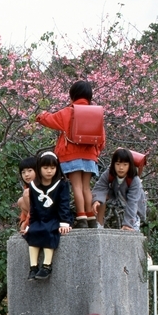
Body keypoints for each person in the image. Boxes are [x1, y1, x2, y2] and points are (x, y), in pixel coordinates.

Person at [37, 80, 101, 228]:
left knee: (76, 186)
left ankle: (81, 217)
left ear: (72, 95)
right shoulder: (96, 114)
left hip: (71, 155)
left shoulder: (68, 111)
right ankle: (91, 217)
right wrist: (95, 152)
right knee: (86, 187)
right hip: (90, 155)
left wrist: (41, 115)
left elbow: (50, 120)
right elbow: (101, 138)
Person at [23, 150, 72, 280]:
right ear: (39, 168)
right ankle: (33, 267)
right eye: (45, 168)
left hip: (55, 218)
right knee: (33, 231)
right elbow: (33, 208)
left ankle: (46, 265)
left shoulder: (62, 183)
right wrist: (30, 224)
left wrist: (65, 222)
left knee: (48, 231)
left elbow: (64, 203)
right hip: (39, 218)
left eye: (52, 168)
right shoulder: (33, 186)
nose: (49, 171)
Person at [93, 147, 146, 231]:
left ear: (130, 165)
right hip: (116, 196)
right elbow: (100, 186)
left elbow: (132, 202)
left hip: (134, 205)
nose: (121, 168)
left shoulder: (134, 180)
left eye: (125, 164)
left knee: (132, 227)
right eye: (118, 164)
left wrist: (127, 224)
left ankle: (132, 226)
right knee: (99, 198)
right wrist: (96, 200)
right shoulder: (109, 173)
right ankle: (99, 225)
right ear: (113, 164)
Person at [15, 155, 37, 234]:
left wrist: (27, 224)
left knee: (26, 193)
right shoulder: (28, 186)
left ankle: (33, 223)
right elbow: (29, 210)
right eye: (23, 172)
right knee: (20, 201)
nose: (26, 174)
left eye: (29, 170)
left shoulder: (42, 184)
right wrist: (23, 222)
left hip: (49, 214)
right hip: (36, 215)